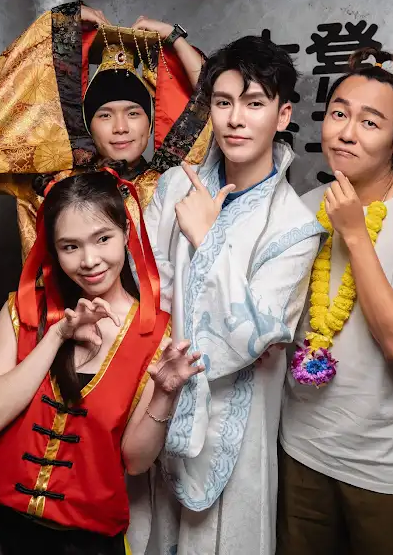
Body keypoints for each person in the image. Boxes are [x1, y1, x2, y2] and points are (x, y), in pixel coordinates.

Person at [127, 35, 325, 555]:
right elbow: (148, 294)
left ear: (283, 115)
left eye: (254, 104)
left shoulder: (294, 226)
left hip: (237, 420)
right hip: (154, 400)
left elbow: (253, 338)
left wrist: (207, 238)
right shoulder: (175, 186)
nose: (236, 119)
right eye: (223, 102)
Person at [0, 170, 202, 555]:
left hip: (80, 541)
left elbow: (135, 461)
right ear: (53, 249)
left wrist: (165, 393)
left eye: (102, 239)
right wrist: (57, 336)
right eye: (70, 246)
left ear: (126, 233)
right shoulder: (23, 310)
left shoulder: (155, 335)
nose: (89, 260)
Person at [278, 48, 393, 555]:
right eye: (339, 113)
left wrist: (356, 234)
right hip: (301, 453)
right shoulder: (303, 210)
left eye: (370, 122)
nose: (346, 132)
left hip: (386, 470)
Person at [0, 1, 211, 261]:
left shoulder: (169, 184)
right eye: (105, 115)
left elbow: (214, 104)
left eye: (133, 113)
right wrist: (62, 22)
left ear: (149, 124)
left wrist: (175, 39)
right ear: (86, 124)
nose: (121, 128)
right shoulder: (55, 184)